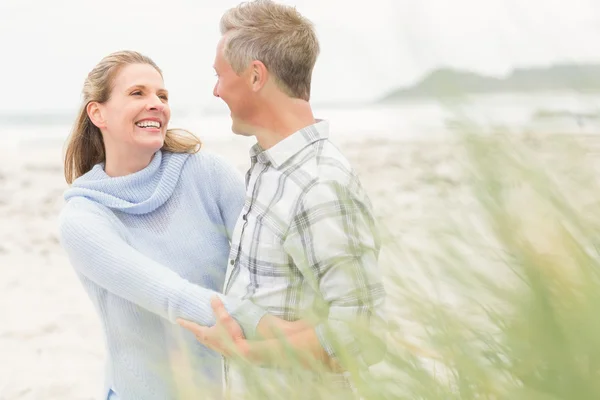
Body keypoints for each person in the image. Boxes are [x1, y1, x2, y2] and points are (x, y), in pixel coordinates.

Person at [58, 50, 310, 400]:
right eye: (138, 93)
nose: (156, 104)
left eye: (162, 96)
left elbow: (268, 258)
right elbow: (170, 294)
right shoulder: (84, 218)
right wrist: (279, 331)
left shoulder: (206, 172)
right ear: (97, 112)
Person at [177, 0, 387, 397]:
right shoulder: (269, 169)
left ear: (256, 76)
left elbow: (364, 334)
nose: (216, 90)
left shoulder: (320, 184)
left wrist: (245, 352)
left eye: (219, 75)